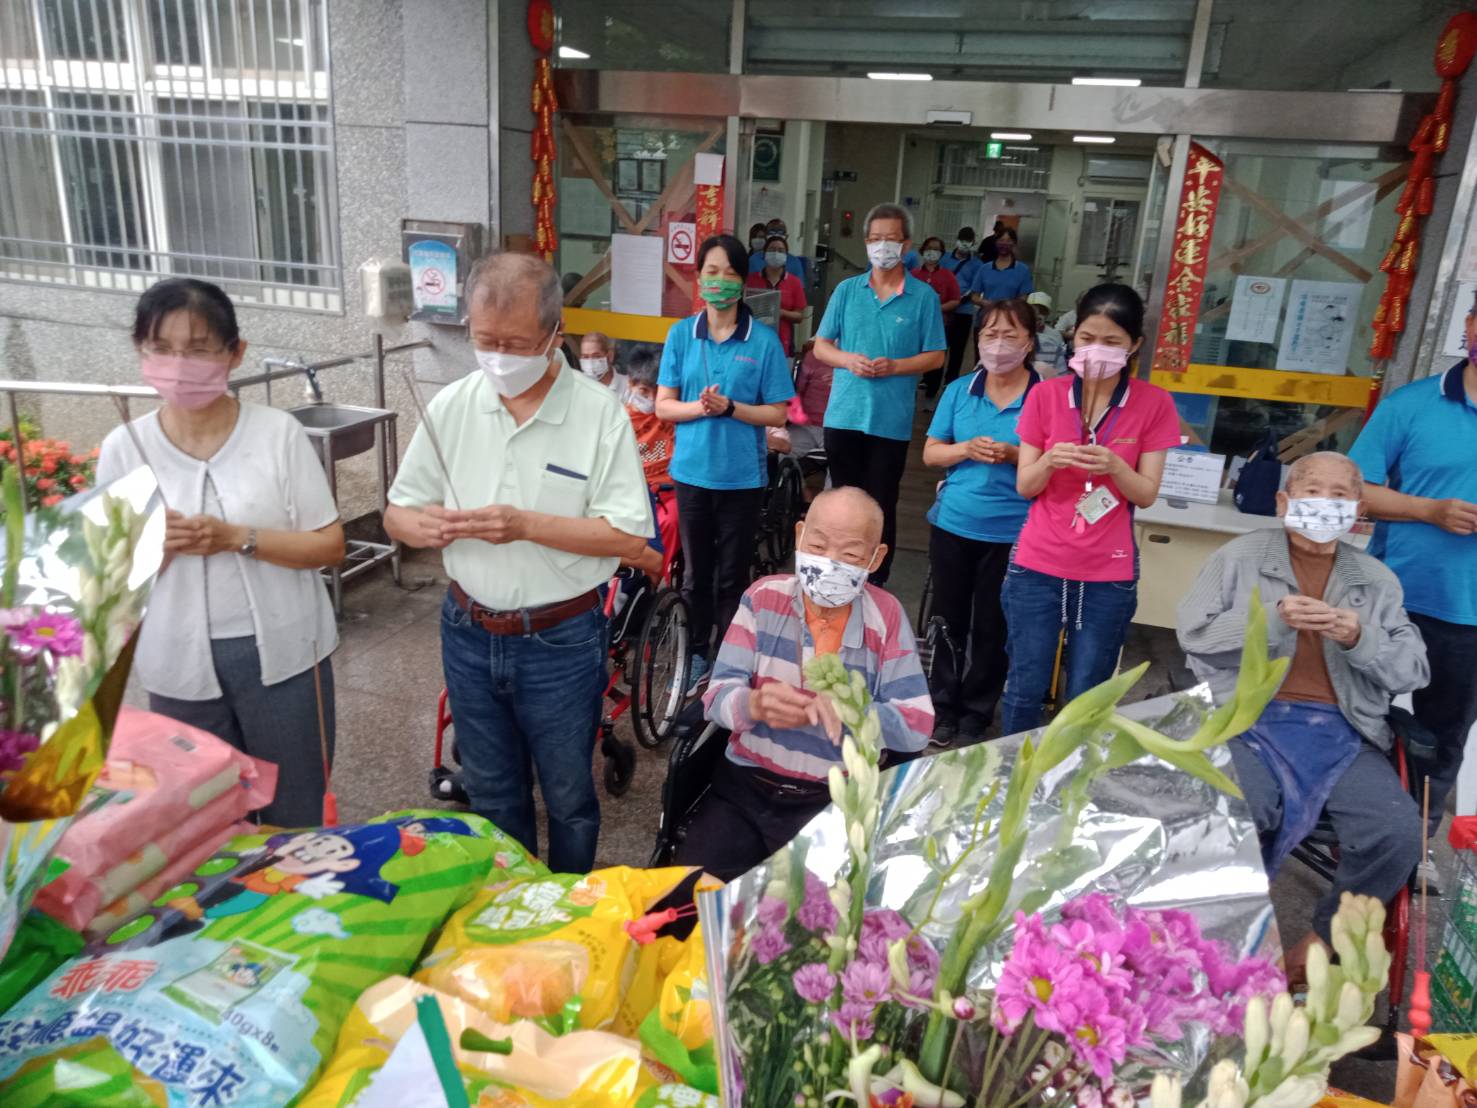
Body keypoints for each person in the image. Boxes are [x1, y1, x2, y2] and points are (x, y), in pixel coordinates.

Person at [385, 252, 652, 873]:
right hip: (468, 631)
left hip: (561, 638)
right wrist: (421, 526)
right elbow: (398, 512)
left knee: (568, 797)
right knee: (493, 793)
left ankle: (566, 908)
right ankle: (508, 907)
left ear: (555, 333)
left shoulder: (598, 414)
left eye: (516, 343)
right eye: (486, 341)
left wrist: (525, 524)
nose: (499, 357)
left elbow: (624, 534)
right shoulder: (453, 405)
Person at [96, 277, 344, 828]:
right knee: (201, 823)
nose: (178, 365)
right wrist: (154, 550)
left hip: (284, 655)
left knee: (294, 816)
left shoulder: (277, 434)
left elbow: (329, 545)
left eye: (198, 349)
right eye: (161, 348)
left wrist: (238, 538)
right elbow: (108, 581)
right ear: (141, 351)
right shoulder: (124, 448)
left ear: (235, 352)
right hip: (175, 659)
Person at [1177, 452, 1426, 971]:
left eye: (1340, 495)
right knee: (1237, 812)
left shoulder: (1377, 579)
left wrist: (1360, 637)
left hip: (1346, 729)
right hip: (1247, 720)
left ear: (1358, 509)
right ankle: (1223, 946)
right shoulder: (1238, 556)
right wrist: (1270, 619)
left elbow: (1412, 670)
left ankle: (1320, 942)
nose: (1325, 503)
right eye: (1312, 491)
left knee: (1396, 831)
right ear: (1284, 501)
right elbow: (1195, 635)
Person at [675, 487, 933, 880]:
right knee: (688, 896)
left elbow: (916, 726)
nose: (830, 563)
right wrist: (752, 704)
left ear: (876, 558)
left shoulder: (886, 617)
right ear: (799, 536)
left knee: (813, 909)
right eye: (818, 545)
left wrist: (853, 712)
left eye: (850, 555)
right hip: (745, 787)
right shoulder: (763, 599)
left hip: (836, 799)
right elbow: (716, 695)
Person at [999, 284, 1180, 734]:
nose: (1096, 350)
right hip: (1037, 564)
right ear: (1072, 336)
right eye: (1087, 338)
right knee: (1024, 687)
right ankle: (1015, 769)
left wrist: (1116, 466)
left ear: (1135, 345)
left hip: (1107, 572)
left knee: (1088, 694)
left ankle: (1071, 773)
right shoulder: (1045, 395)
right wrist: (1049, 460)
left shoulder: (1154, 403)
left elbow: (1146, 493)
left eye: (1112, 341)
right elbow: (1025, 485)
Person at [1348, 312, 1477, 855]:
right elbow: (1354, 489)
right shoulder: (1411, 404)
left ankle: (1411, 848)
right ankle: (1348, 833)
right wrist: (1429, 510)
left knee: (1441, 740)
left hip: (1469, 616)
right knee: (1357, 719)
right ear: (1469, 323)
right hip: (1393, 598)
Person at [657, 233, 795, 688]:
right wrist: (701, 408)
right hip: (692, 475)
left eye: (729, 273)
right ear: (699, 278)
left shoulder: (764, 341)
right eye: (711, 272)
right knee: (696, 575)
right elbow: (663, 406)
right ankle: (696, 653)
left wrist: (731, 408)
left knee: (732, 576)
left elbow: (777, 413)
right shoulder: (681, 334)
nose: (719, 281)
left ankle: (728, 660)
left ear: (742, 281)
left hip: (742, 479)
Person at [922, 299, 1040, 746]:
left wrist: (1014, 455)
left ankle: (977, 709)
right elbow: (932, 453)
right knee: (947, 619)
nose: (999, 345)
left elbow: (1053, 463)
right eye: (990, 334)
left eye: (1010, 335)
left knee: (994, 625)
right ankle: (941, 705)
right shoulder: (959, 391)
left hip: (1014, 531)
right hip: (954, 523)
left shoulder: (1045, 397)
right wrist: (965, 449)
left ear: (1029, 342)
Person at [812, 202, 947, 587]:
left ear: (906, 245)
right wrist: (848, 360)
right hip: (844, 415)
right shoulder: (847, 291)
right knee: (843, 500)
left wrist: (896, 366)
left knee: (881, 502)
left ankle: (875, 580)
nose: (882, 246)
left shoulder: (923, 297)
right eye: (875, 239)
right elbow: (821, 346)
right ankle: (836, 574)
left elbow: (936, 356)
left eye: (890, 239)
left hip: (890, 421)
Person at [622, 344, 679, 562]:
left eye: (657, 392)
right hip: (630, 495)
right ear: (630, 383)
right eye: (644, 391)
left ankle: (659, 575)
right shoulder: (617, 419)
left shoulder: (675, 416)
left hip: (668, 493)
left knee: (671, 521)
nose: (652, 399)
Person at [912, 235, 963, 408]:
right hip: (915, 326)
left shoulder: (947, 275)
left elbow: (955, 300)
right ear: (922, 250)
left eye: (936, 249)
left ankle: (931, 395)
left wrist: (936, 309)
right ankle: (910, 395)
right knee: (911, 358)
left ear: (941, 253)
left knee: (935, 360)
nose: (932, 252)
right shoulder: (914, 274)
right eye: (929, 248)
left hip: (939, 325)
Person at [745, 234, 808, 355]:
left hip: (783, 342)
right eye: (772, 249)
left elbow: (800, 316)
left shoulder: (794, 282)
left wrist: (781, 313)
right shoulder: (751, 280)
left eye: (780, 250)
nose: (776, 253)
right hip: (754, 340)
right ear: (764, 254)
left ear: (786, 256)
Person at [941, 226, 986, 390]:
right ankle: (930, 378)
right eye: (962, 240)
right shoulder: (944, 258)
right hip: (942, 310)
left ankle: (950, 379)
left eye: (968, 241)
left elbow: (975, 288)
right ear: (957, 240)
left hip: (964, 311)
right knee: (939, 346)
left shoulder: (977, 264)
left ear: (973, 243)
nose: (964, 244)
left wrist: (957, 301)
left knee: (958, 348)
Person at [970, 226, 1033, 305]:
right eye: (1001, 240)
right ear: (996, 243)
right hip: (987, 311)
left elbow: (1023, 298)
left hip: (1012, 312)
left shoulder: (1023, 270)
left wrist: (1007, 307)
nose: (1004, 244)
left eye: (1008, 240)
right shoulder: (984, 268)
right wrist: (987, 303)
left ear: (1014, 243)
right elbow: (974, 296)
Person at [578, 331, 628, 400]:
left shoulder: (628, 387)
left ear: (610, 356)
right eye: (585, 357)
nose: (590, 362)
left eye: (596, 356)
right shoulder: (577, 386)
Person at [1028, 291, 1067, 376]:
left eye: (1042, 311)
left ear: (1047, 314)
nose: (1038, 315)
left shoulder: (1055, 335)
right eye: (1033, 311)